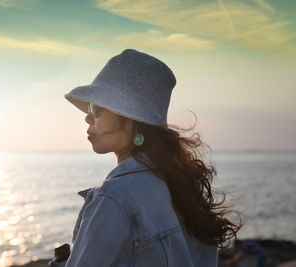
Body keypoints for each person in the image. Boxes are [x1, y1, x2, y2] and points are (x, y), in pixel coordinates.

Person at [49, 49, 242, 266]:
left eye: (96, 108)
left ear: (131, 120)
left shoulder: (114, 200)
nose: (87, 117)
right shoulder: (179, 186)